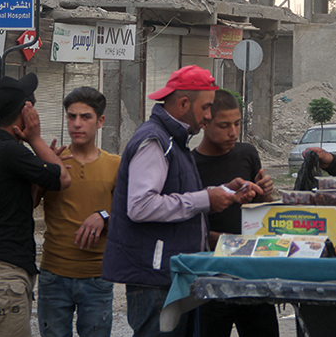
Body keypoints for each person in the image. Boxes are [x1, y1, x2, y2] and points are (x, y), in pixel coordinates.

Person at [102, 65, 262, 337]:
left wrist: (223, 191)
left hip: (169, 275)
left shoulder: (173, 140)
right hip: (155, 278)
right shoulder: (154, 141)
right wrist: (204, 199)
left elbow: (175, 192)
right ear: (184, 104)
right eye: (206, 107)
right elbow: (140, 206)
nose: (208, 115)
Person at [0, 73, 72, 337]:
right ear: (24, 112)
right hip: (3, 275)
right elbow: (63, 179)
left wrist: (41, 168)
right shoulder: (10, 152)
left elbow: (26, 202)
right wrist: (36, 139)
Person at [192, 89, 278, 337]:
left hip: (252, 272)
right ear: (205, 123)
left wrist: (264, 193)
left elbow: (261, 210)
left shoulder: (246, 154)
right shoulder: (189, 164)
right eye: (224, 125)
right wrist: (218, 240)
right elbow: (187, 219)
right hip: (211, 273)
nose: (233, 132)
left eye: (237, 124)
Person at [36, 86, 120, 337]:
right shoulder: (54, 160)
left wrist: (103, 216)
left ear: (100, 121)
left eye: (85, 117)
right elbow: (27, 203)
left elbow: (129, 217)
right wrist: (44, 171)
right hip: (53, 273)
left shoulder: (115, 165)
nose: (77, 123)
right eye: (71, 116)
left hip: (97, 276)